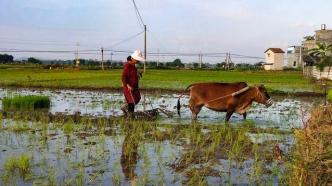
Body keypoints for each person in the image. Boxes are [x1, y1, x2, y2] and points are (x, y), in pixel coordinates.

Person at [121, 50, 145, 117]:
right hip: (129, 87)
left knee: (137, 98)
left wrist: (138, 74)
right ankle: (130, 116)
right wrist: (127, 85)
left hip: (134, 87)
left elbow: (133, 74)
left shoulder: (133, 66)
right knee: (131, 102)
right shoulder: (127, 66)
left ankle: (125, 108)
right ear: (133, 58)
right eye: (137, 60)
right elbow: (123, 76)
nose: (138, 61)